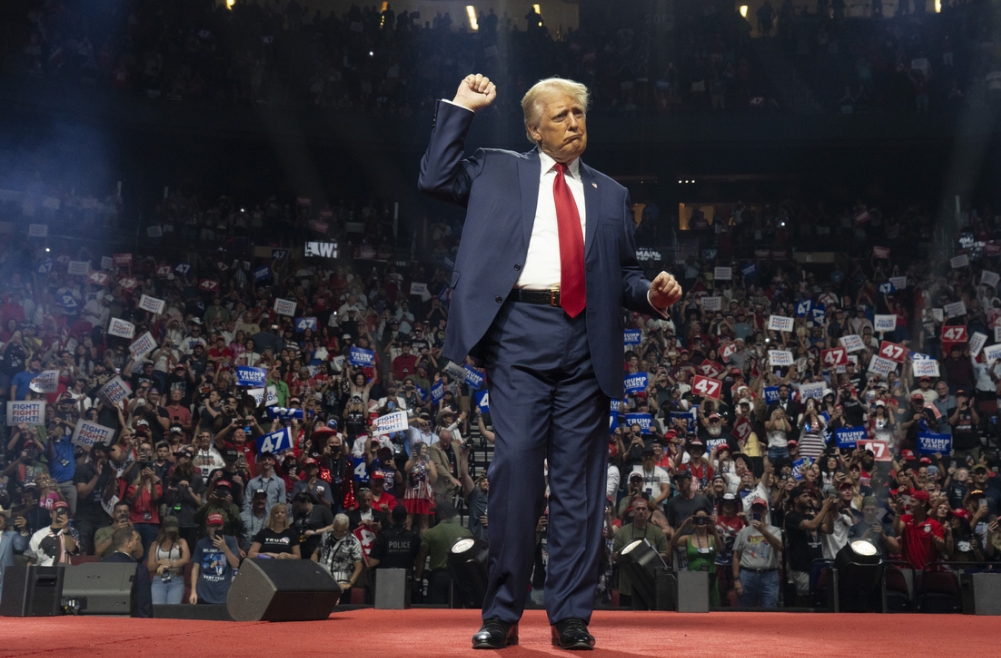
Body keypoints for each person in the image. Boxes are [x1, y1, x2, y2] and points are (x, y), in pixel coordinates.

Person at [420, 74, 682, 650]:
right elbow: (435, 176)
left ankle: (570, 616)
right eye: (560, 117)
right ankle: (503, 614)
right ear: (534, 129)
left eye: (579, 115)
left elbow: (627, 274)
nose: (573, 125)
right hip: (518, 333)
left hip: (588, 341)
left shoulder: (611, 194)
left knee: (579, 489)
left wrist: (653, 296)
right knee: (513, 472)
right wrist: (462, 107)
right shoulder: (496, 169)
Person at [609, 496, 669, 609]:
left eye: (643, 509)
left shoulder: (657, 532)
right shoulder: (623, 532)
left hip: (649, 584)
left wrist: (646, 557)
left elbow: (665, 554)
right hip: (627, 584)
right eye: (638, 509)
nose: (641, 511)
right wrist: (630, 557)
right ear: (632, 512)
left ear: (647, 512)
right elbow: (614, 556)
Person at [416, 500, 473, 605]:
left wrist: (418, 578)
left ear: (442, 513)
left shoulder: (431, 533)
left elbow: (421, 557)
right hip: (459, 577)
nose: (434, 516)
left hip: (438, 578)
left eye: (436, 513)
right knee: (457, 611)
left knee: (435, 612)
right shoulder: (466, 533)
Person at [732, 498, 783, 608]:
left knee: (770, 608)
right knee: (746, 609)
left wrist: (763, 531)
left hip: (769, 575)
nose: (758, 512)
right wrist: (736, 580)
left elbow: (779, 546)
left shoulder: (775, 530)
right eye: (756, 509)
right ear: (751, 512)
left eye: (761, 509)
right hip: (747, 575)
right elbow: (736, 556)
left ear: (766, 512)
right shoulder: (743, 532)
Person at [671, 509, 723, 606]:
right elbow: (673, 542)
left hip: (711, 576)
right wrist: (684, 526)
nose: (701, 521)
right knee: (695, 605)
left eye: (704, 518)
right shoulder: (688, 538)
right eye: (698, 518)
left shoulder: (712, 538)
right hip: (693, 577)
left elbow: (720, 548)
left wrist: (713, 529)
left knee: (714, 605)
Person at [189, 512, 240, 605]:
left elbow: (235, 564)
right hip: (204, 592)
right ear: (207, 527)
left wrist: (225, 548)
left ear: (223, 526)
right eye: (213, 526)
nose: (216, 529)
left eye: (218, 526)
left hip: (223, 592)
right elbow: (195, 568)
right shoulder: (201, 543)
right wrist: (193, 591)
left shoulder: (230, 541)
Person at [103, 527, 153, 618]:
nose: (138, 543)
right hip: (130, 624)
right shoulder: (139, 569)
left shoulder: (100, 565)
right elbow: (144, 605)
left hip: (102, 623)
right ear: (128, 543)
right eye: (136, 540)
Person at [313, 513, 364, 599]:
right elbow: (316, 551)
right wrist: (313, 561)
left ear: (347, 528)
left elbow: (359, 566)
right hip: (322, 579)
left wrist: (349, 584)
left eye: (342, 531)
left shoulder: (353, 542)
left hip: (341, 582)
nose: (338, 533)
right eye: (336, 530)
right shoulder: (326, 535)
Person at [146, 516, 190, 605]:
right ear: (164, 529)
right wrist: (159, 563)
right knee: (158, 608)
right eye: (169, 531)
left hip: (176, 579)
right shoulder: (155, 544)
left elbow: (186, 559)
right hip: (159, 579)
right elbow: (150, 566)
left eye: (173, 531)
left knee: (172, 609)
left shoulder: (181, 542)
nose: (171, 533)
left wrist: (171, 564)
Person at [27, 501, 77, 566]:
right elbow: (31, 560)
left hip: (65, 572)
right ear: (51, 514)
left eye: (64, 511)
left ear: (67, 515)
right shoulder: (38, 535)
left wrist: (65, 529)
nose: (61, 513)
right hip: (43, 573)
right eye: (58, 511)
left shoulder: (73, 532)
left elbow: (72, 551)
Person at [0, 510, 30, 601]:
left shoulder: (11, 535)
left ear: (5, 522)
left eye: (1, 516)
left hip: (4, 578)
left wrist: (23, 530)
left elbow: (21, 546)